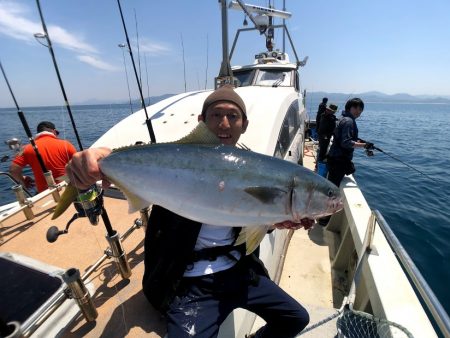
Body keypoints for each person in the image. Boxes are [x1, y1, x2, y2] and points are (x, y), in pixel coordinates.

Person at [65, 85, 311, 338]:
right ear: (201, 121)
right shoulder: (175, 161)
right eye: (216, 115)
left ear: (244, 124)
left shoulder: (256, 167)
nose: (224, 124)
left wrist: (274, 220)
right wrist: (98, 157)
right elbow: (147, 158)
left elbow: (246, 215)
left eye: (233, 116)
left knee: (296, 318)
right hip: (188, 283)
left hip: (239, 271)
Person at [9, 121, 77, 193]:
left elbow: (13, 170)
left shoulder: (26, 148)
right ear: (54, 131)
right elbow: (78, 166)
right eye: (57, 133)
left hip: (44, 194)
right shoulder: (67, 144)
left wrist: (22, 180)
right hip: (68, 189)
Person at [326, 98, 371, 187]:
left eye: (361, 109)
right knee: (333, 189)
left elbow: (343, 137)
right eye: (356, 108)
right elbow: (346, 142)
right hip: (339, 161)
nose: (358, 111)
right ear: (349, 108)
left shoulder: (343, 118)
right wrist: (364, 145)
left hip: (334, 158)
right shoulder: (349, 121)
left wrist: (361, 142)